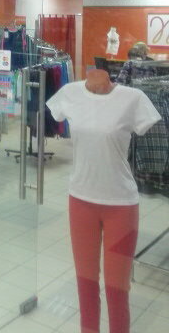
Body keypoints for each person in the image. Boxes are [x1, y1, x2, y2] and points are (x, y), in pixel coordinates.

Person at [46, 69, 161, 333]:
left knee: (117, 290)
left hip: (121, 206)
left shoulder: (133, 98)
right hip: (81, 201)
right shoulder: (70, 93)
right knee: (85, 285)